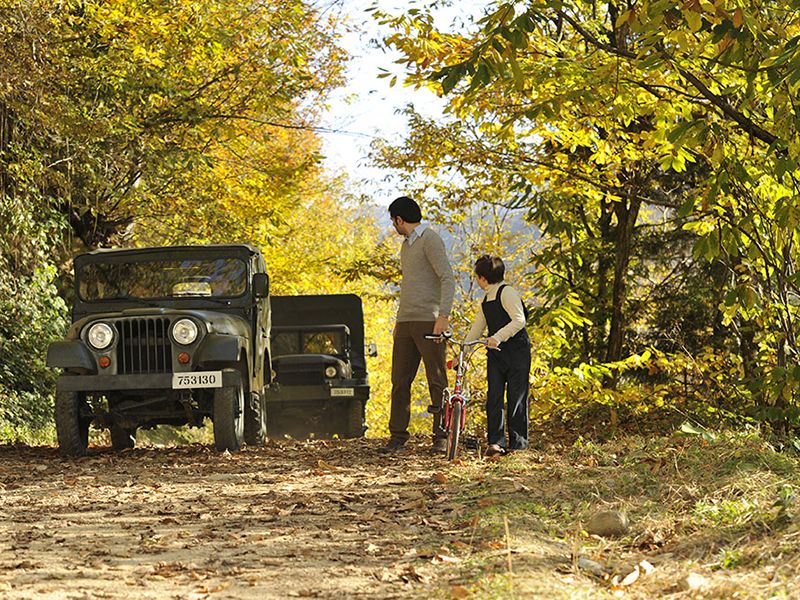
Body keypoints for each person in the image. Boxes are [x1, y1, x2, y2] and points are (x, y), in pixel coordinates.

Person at [380, 196, 455, 454]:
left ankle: (442, 437)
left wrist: (442, 316)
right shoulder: (406, 246)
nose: (394, 226)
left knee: (436, 379)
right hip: (405, 321)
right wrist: (398, 321)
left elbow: (447, 277)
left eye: (394, 221)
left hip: (429, 319)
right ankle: (397, 437)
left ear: (400, 219)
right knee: (400, 380)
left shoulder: (430, 239)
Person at [465, 255, 531, 456]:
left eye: (477, 276)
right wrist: (464, 350)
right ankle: (496, 442)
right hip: (496, 355)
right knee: (494, 397)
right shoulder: (486, 298)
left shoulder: (507, 292)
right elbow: (478, 327)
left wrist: (498, 337)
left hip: (517, 352)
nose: (477, 280)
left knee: (516, 397)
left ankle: (518, 444)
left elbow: (519, 320)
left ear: (483, 278)